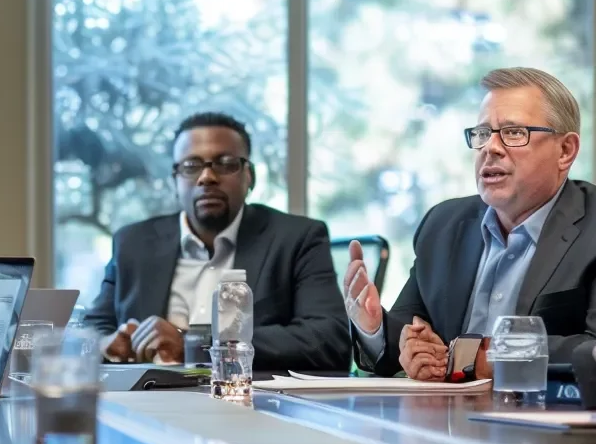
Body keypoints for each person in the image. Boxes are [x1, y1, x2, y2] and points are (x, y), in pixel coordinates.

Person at [344, 67, 596, 380]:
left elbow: (591, 350)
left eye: (514, 133)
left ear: (565, 150)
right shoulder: (444, 225)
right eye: (482, 134)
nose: (490, 147)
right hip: (445, 421)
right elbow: (413, 334)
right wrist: (376, 329)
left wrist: (497, 356)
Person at [84, 112, 351, 372]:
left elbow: (329, 339)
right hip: (149, 400)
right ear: (174, 181)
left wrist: (194, 345)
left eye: (225, 163)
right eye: (191, 166)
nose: (207, 177)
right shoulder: (133, 242)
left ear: (249, 177)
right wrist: (108, 344)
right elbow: (89, 331)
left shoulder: (295, 239)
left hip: (249, 403)